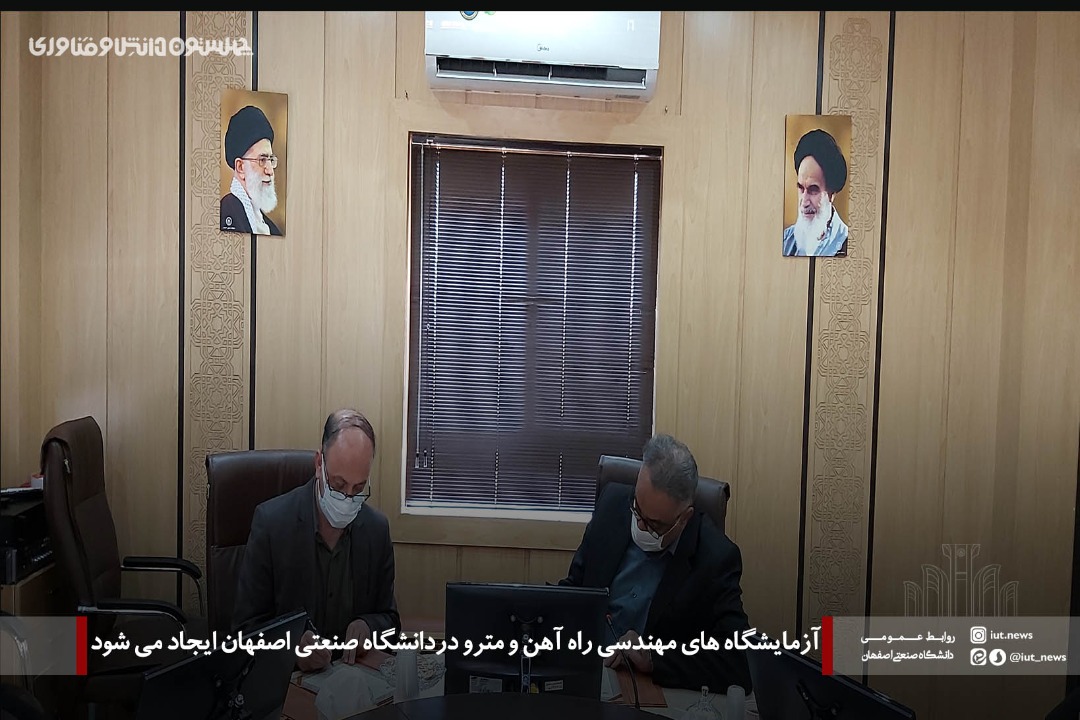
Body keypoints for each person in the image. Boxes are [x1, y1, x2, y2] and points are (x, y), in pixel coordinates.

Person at [559, 434, 753, 693]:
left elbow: (739, 663)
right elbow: (575, 590)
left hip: (652, 690)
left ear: (684, 518)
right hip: (587, 670)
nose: (640, 526)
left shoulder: (716, 558)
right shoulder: (613, 504)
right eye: (637, 509)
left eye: (654, 524)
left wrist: (653, 658)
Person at [233, 409, 399, 673]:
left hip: (353, 682)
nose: (347, 498)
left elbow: (390, 621)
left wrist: (368, 627)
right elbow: (245, 631)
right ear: (319, 463)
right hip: (291, 683)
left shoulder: (376, 530)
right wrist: (291, 649)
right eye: (338, 485)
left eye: (358, 488)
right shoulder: (272, 524)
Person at [782, 128, 849, 257]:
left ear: (831, 194)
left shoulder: (847, 245)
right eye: (801, 188)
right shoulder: (786, 241)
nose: (804, 202)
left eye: (813, 190)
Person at [220, 104, 283, 235]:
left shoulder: (270, 227)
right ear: (240, 167)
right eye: (262, 160)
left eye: (271, 159)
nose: (270, 171)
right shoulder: (227, 213)